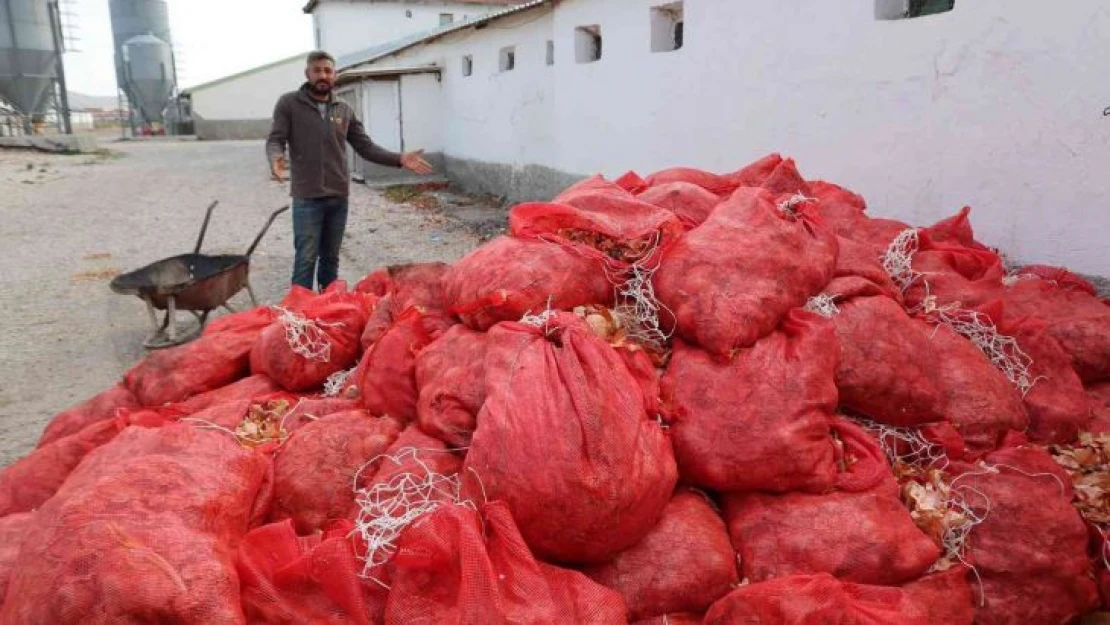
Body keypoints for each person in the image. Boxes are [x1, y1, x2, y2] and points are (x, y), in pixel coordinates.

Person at [265, 50, 433, 291]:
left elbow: (365, 147)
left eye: (328, 71)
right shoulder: (289, 103)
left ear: (335, 75)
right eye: (317, 70)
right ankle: (299, 315)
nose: (322, 75)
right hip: (307, 197)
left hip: (337, 196)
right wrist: (276, 158)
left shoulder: (343, 109)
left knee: (331, 259)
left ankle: (329, 306)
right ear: (307, 73)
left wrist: (400, 159)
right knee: (306, 259)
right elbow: (275, 139)